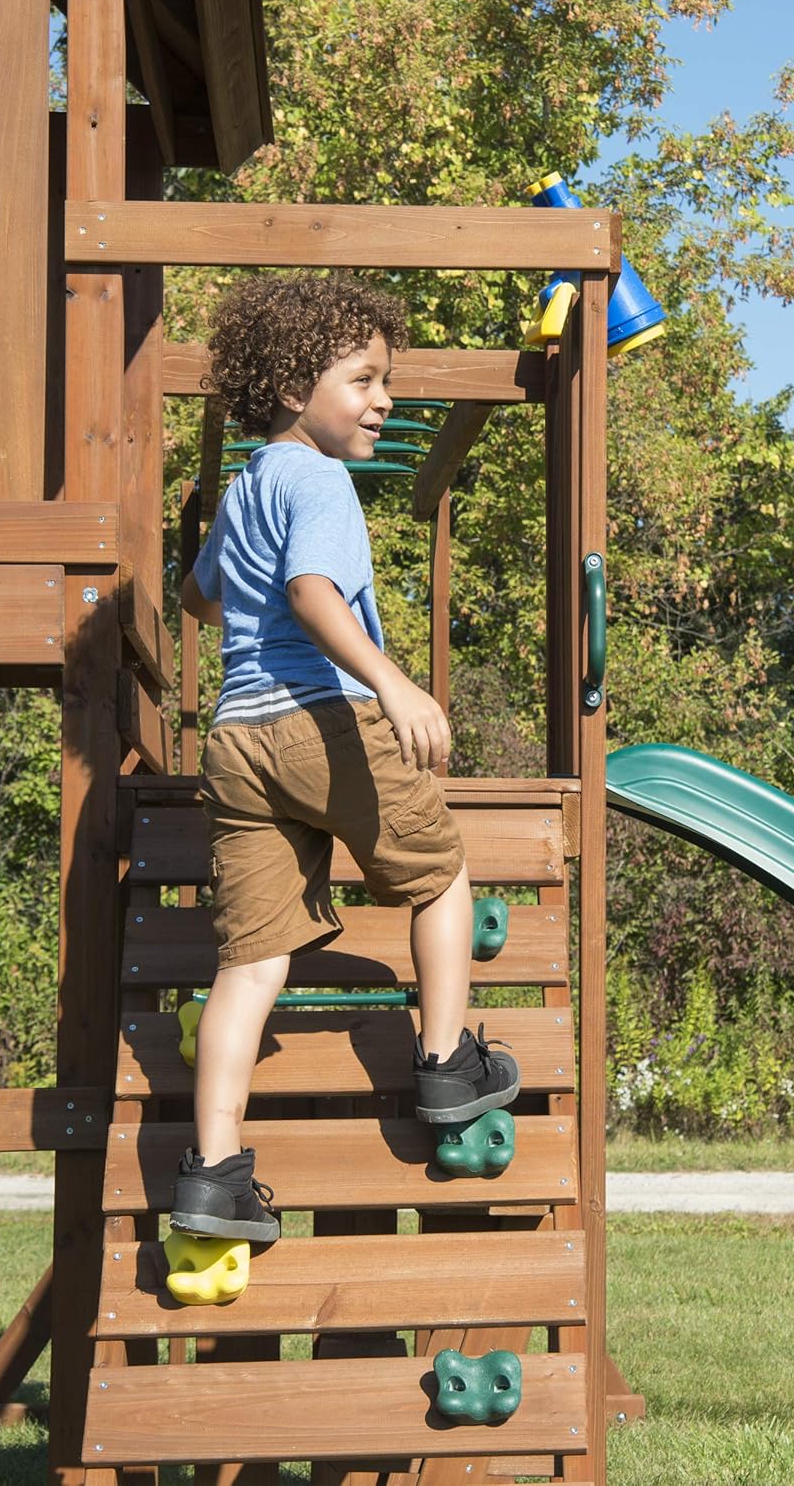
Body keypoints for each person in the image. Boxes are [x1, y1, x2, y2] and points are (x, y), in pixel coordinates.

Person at [169, 274, 520, 1247]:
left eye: (385, 381)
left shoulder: (247, 488)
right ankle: (446, 1064)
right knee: (439, 874)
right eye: (363, 380)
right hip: (321, 719)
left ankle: (215, 1177)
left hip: (236, 742)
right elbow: (314, 591)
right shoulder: (319, 480)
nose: (384, 400)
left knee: (250, 964)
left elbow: (197, 599)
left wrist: (218, 571)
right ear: (294, 389)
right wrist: (395, 684)